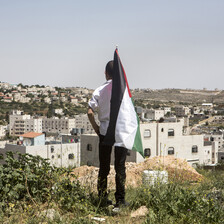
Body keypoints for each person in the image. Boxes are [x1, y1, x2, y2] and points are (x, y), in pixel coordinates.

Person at [87, 60, 128, 207]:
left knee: (104, 166)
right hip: (121, 131)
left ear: (106, 73)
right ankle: (120, 200)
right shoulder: (124, 89)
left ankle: (102, 198)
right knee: (120, 166)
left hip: (105, 131)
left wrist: (96, 128)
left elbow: (90, 112)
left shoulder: (98, 90)